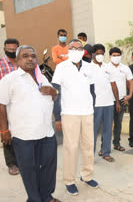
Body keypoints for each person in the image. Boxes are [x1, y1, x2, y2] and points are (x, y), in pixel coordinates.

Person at [0, 45, 60, 202]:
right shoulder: (9, 80)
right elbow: (1, 105)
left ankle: (46, 196)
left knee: (48, 168)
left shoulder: (42, 77)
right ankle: (34, 199)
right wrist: (4, 130)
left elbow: (53, 96)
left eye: (33, 56)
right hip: (24, 135)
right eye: (25, 56)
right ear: (18, 60)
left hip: (47, 132)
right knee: (29, 170)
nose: (30, 59)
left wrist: (55, 92)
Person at [52, 39, 98, 196]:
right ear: (69, 51)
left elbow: (92, 90)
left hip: (87, 113)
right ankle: (69, 181)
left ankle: (87, 175)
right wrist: (57, 116)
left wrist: (92, 107)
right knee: (70, 148)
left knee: (88, 146)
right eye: (73, 48)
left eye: (80, 48)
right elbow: (55, 93)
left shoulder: (89, 67)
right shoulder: (61, 67)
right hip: (69, 113)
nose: (77, 51)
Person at [91, 44, 120, 162]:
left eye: (102, 54)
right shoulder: (88, 68)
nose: (100, 56)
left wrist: (117, 102)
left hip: (109, 103)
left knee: (108, 129)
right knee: (92, 131)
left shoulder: (108, 67)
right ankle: (90, 155)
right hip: (95, 105)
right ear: (93, 55)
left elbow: (113, 85)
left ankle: (106, 152)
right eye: (98, 53)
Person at [105, 47, 133, 152]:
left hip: (121, 100)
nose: (116, 57)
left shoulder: (125, 68)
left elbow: (131, 82)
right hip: (108, 100)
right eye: (114, 55)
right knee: (107, 124)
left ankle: (116, 144)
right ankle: (104, 147)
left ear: (120, 56)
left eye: (118, 55)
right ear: (110, 56)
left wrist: (130, 95)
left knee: (118, 123)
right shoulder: (106, 68)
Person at [0, 38, 19, 175]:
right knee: (7, 132)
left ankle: (22, 159)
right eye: (9, 49)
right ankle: (11, 163)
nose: (12, 52)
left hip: (21, 103)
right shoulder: (1, 64)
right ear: (4, 50)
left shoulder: (22, 62)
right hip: (5, 104)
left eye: (14, 49)